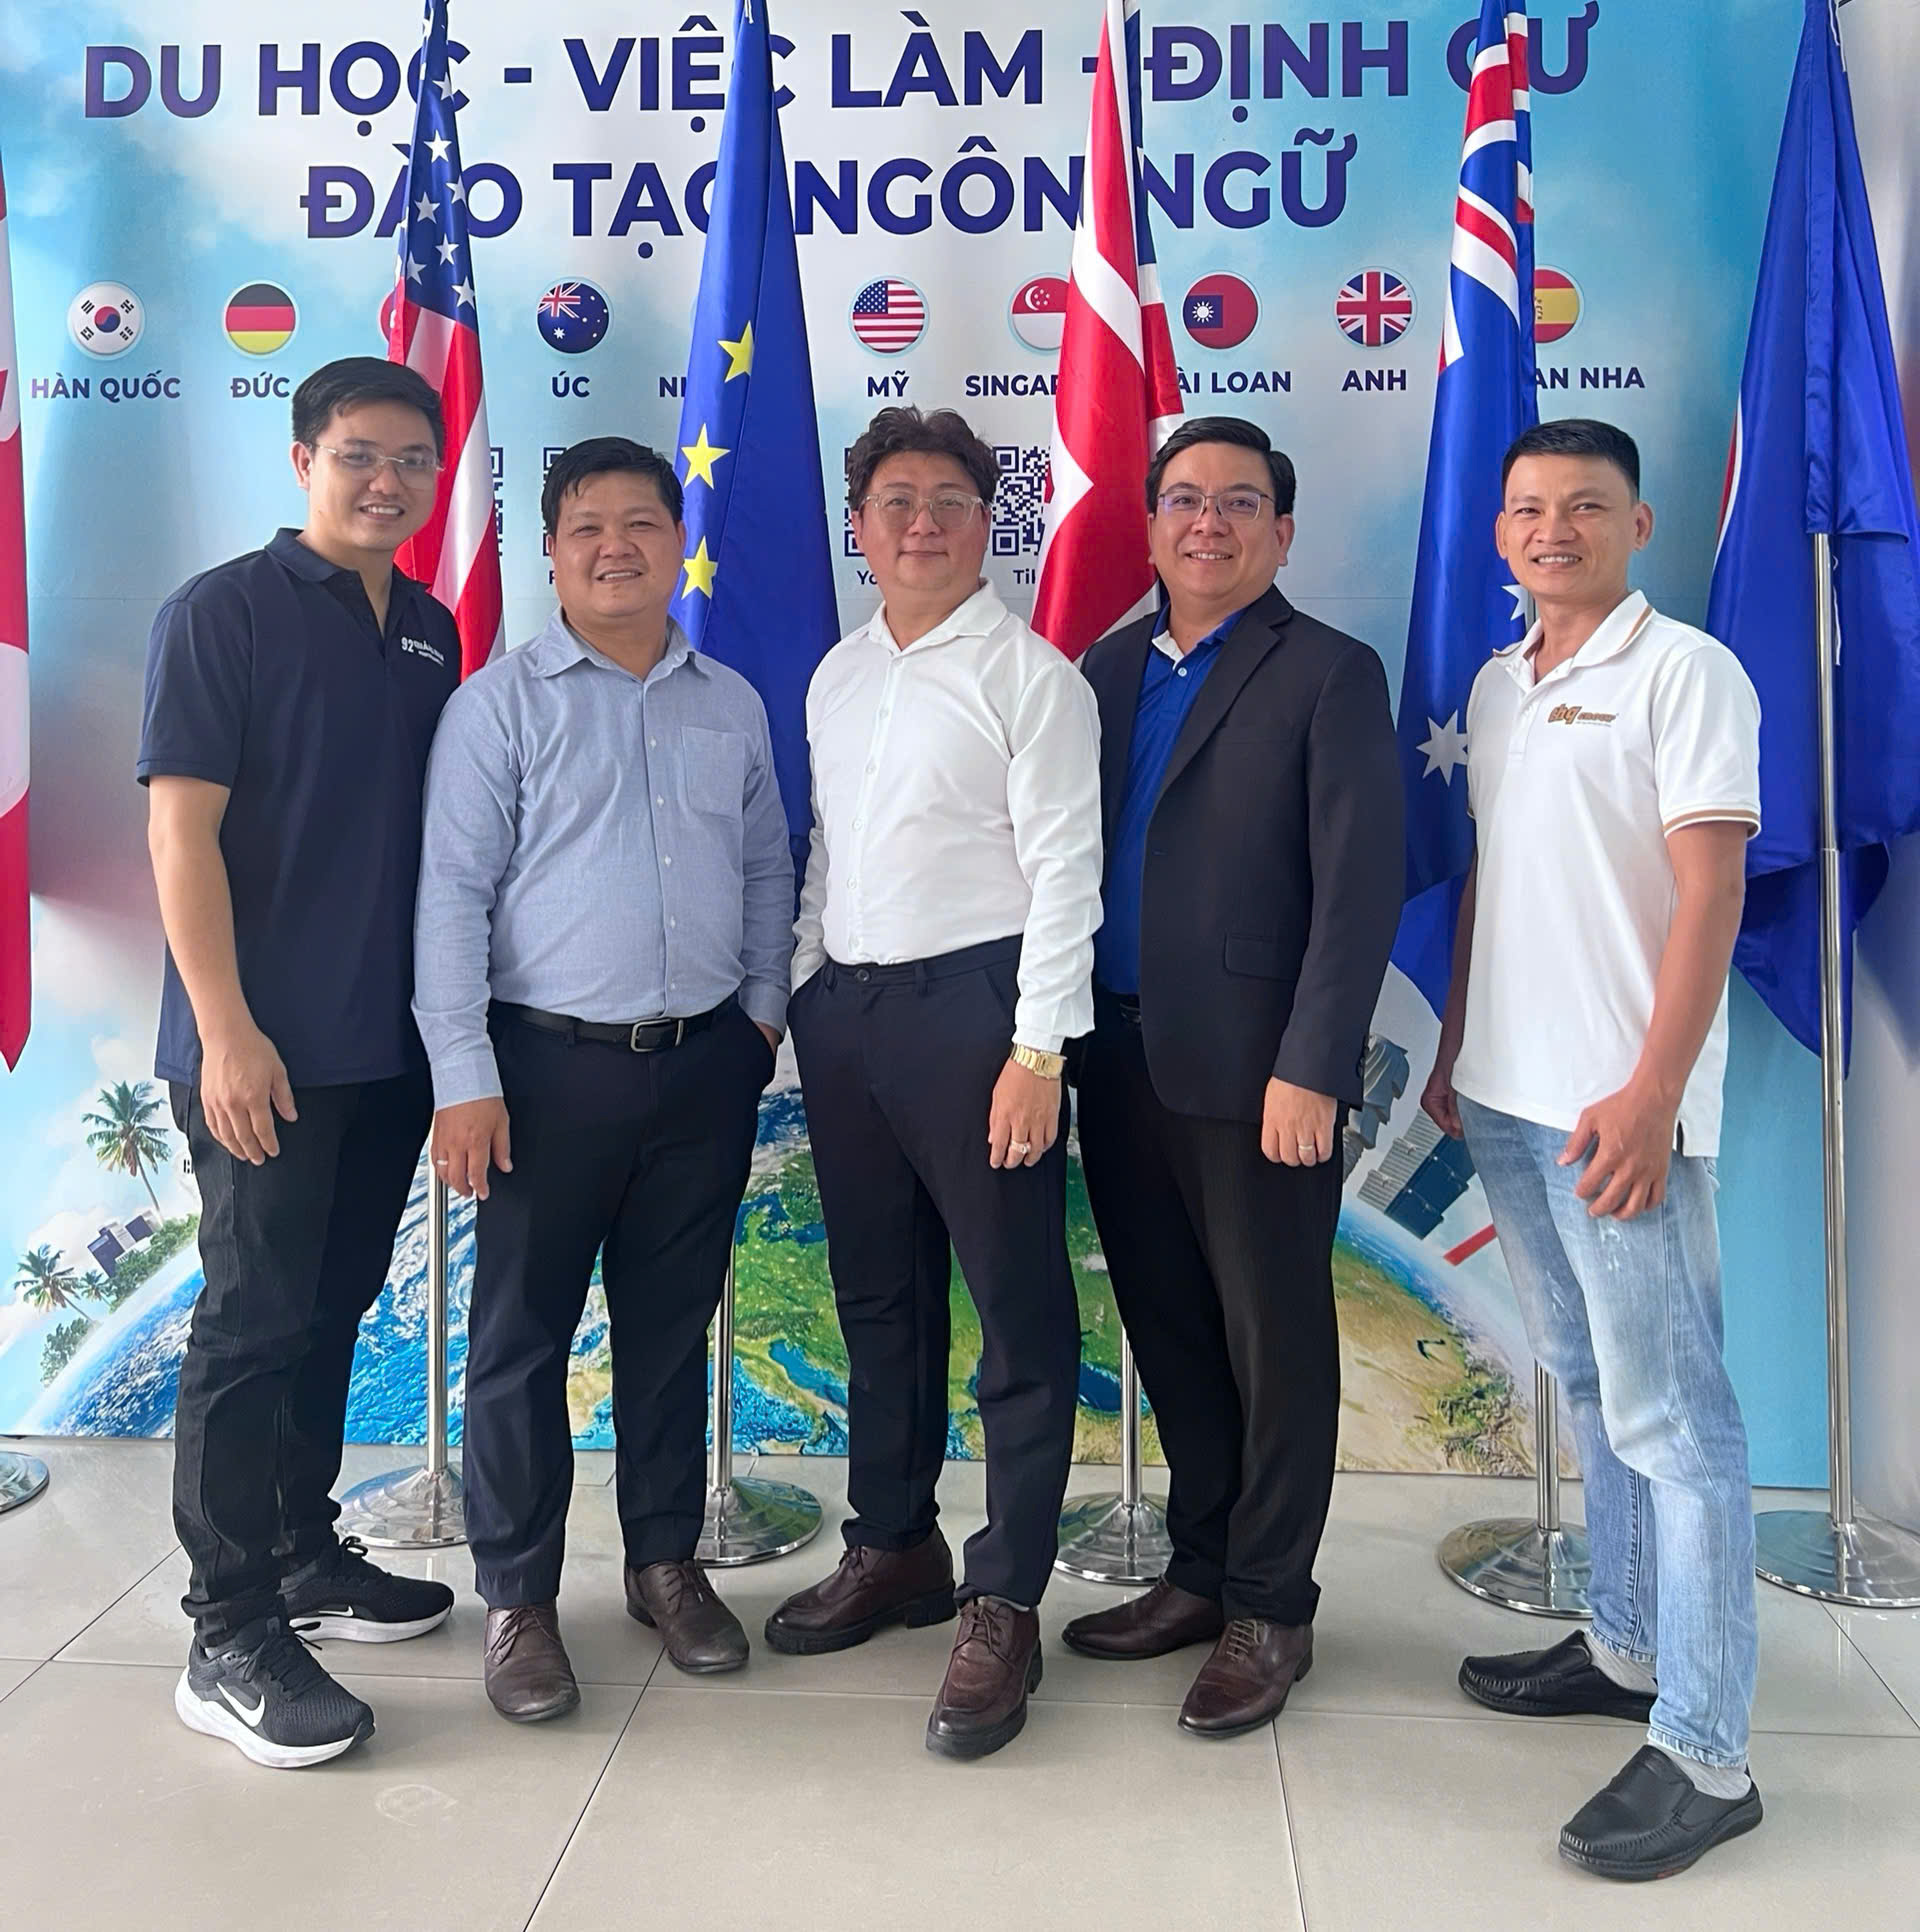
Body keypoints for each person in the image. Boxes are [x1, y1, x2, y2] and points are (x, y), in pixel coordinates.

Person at [1423, 419, 1765, 1879]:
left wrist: (1650, 1091)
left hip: (1617, 1110)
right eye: (1528, 509)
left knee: (1678, 1423)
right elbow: (1500, 880)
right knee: (1585, 1380)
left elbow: (1711, 895)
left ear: (1638, 523)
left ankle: (1708, 1748)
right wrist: (1458, 1044)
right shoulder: (1501, 683)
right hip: (1507, 1095)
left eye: (1584, 505)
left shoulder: (1686, 673)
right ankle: (1626, 1644)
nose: (1551, 529)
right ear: (1501, 532)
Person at [413, 437, 792, 1723]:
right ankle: (519, 1597)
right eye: (588, 526)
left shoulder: (729, 702)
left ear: (677, 543)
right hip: (541, 1073)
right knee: (520, 1340)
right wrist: (463, 1075)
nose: (616, 547)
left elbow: (766, 867)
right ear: (552, 551)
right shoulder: (499, 706)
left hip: (702, 1067)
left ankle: (662, 1563)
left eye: (642, 523)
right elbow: (451, 897)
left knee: (670, 1331)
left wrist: (759, 1017)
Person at [764, 406, 1102, 1760]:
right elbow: (827, 847)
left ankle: (1002, 1595)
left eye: (949, 501)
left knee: (1016, 1312)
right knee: (878, 1299)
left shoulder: (1033, 677)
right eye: (896, 501)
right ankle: (894, 1543)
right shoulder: (838, 675)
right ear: (860, 527)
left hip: (982, 1015)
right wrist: (805, 982)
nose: (921, 523)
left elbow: (1068, 875)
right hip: (848, 1015)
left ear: (986, 524)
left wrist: (1039, 1051)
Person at [141, 357, 460, 1769]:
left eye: (411, 460)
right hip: (258, 1049)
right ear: (302, 461)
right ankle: (226, 1632)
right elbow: (180, 833)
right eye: (358, 456)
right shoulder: (222, 613)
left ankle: (300, 1551)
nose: (386, 482)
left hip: (381, 1049)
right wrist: (224, 1028)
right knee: (252, 1323)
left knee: (331, 1310)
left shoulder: (433, 630)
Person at [1064, 417, 1402, 1738]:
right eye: (1185, 500)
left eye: (1240, 501)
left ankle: (1271, 1607)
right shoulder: (1101, 670)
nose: (1208, 522)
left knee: (1275, 1344)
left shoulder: (1329, 671)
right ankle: (1201, 1571)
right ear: (1150, 525)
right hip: (1118, 1056)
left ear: (1282, 531)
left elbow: (1357, 891)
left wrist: (1314, 1064)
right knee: (1172, 1331)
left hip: (1263, 1075)